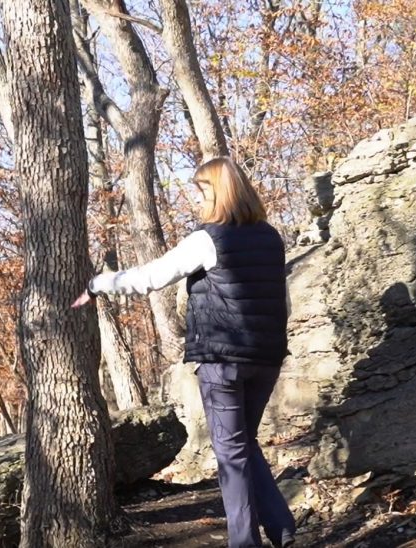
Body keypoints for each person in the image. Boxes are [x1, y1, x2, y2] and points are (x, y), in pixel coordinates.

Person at [72, 157, 296, 548]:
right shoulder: (271, 236)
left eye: (202, 191)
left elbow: (149, 279)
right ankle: (282, 527)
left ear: (218, 192)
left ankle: (245, 543)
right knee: (243, 443)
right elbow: (283, 300)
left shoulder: (208, 239)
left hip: (222, 362)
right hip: (266, 357)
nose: (199, 200)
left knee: (231, 452)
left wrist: (98, 283)